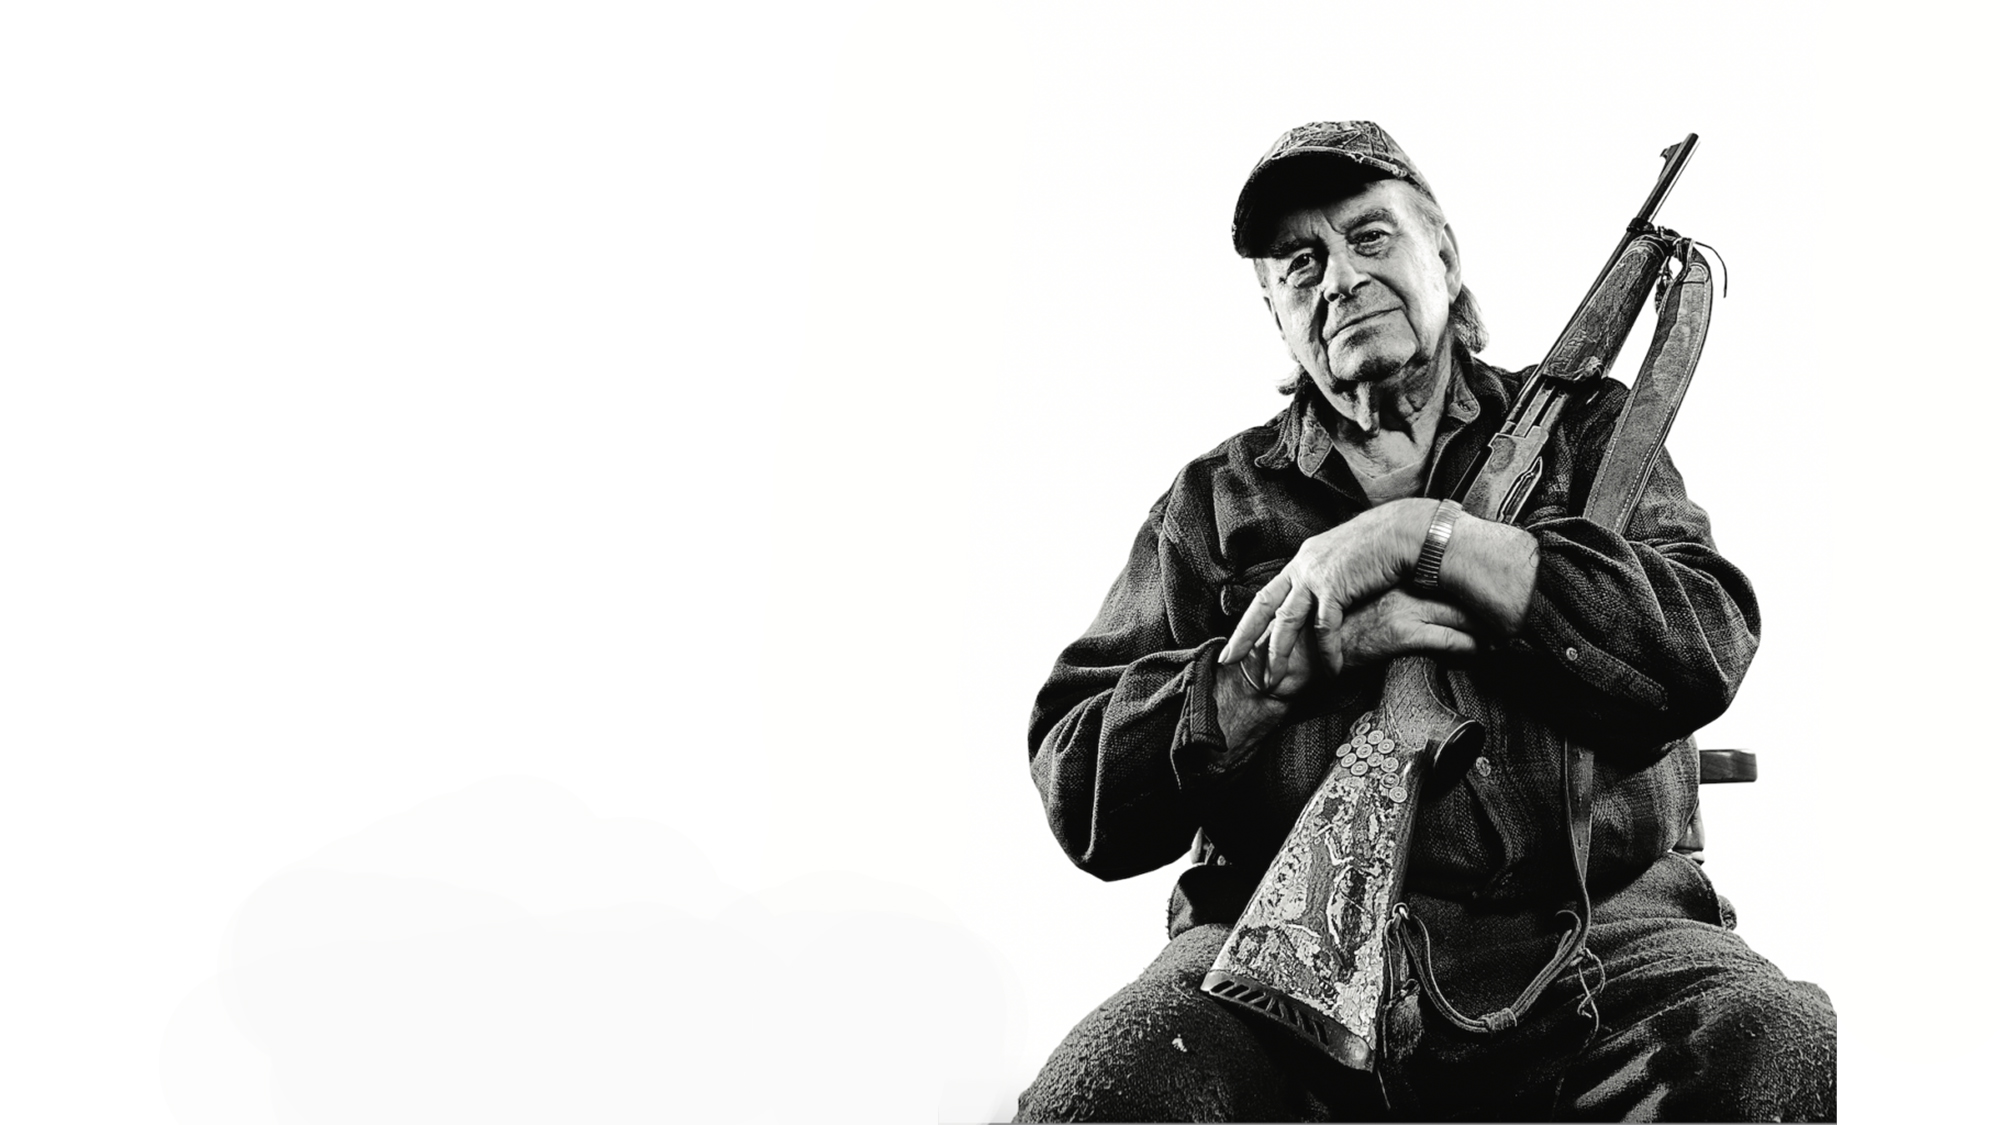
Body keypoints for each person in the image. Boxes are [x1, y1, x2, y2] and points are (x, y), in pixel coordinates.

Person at [1015, 122, 1836, 1122]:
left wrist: (1431, 541)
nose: (1339, 277)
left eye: (1369, 236)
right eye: (1299, 263)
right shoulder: (1212, 502)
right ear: (1275, 315)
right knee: (1106, 1091)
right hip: (1266, 972)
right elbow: (1081, 789)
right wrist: (1280, 666)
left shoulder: (1586, 433)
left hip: (1604, 942)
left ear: (1441, 253)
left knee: (1781, 1048)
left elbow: (1702, 643)